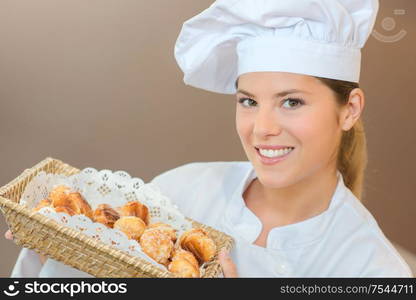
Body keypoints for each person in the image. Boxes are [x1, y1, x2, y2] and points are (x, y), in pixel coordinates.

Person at [6, 0, 413, 277]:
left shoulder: (370, 267)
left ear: (350, 109)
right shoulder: (181, 190)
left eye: (291, 102)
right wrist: (57, 252)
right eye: (249, 101)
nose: (262, 127)